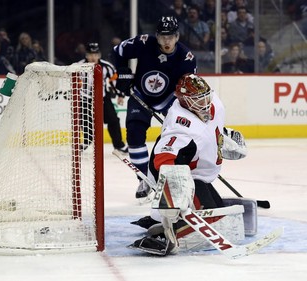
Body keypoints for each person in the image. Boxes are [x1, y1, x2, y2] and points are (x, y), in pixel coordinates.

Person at [128, 73, 247, 255]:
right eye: (198, 101)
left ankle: (159, 221)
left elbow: (211, 127)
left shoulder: (214, 103)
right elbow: (163, 159)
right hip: (185, 177)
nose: (205, 103)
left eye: (205, 97)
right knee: (212, 222)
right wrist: (174, 192)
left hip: (198, 174)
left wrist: (223, 138)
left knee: (220, 214)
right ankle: (164, 233)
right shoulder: (181, 126)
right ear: (185, 101)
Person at [112, 15, 197, 198]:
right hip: (140, 95)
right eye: (163, 37)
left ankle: (181, 176)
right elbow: (118, 51)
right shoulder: (144, 43)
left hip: (170, 99)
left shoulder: (187, 58)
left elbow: (187, 88)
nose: (167, 41)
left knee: (179, 136)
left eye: (171, 37)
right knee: (134, 133)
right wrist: (123, 72)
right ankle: (144, 177)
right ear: (156, 36)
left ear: (177, 37)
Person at [78, 42, 128, 154]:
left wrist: (120, 95)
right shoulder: (78, 66)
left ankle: (119, 145)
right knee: (85, 120)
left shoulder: (107, 67)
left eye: (95, 54)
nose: (93, 57)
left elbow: (115, 81)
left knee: (113, 120)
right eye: (90, 54)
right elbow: (74, 81)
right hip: (85, 98)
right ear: (86, 55)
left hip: (103, 98)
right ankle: (87, 140)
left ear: (99, 55)